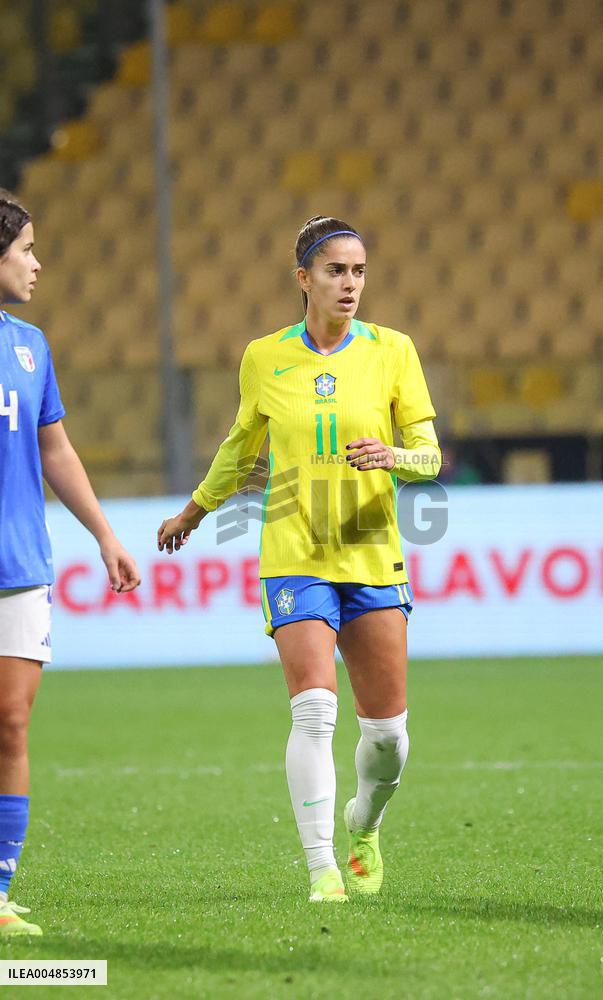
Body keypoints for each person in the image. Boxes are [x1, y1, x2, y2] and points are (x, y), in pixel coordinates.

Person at [157, 216, 441, 902]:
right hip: (294, 554)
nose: (350, 283)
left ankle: (364, 823)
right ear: (304, 279)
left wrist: (394, 456)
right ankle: (322, 870)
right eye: (336, 270)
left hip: (371, 553)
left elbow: (430, 458)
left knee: (388, 738)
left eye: (359, 271)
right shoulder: (265, 357)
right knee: (314, 710)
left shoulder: (394, 350)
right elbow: (240, 447)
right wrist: (195, 511)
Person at [0, 191, 141, 935]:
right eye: (25, 249)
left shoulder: (30, 346)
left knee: (10, 725)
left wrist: (105, 535)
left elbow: (54, 449)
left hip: (19, 565)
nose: (37, 263)